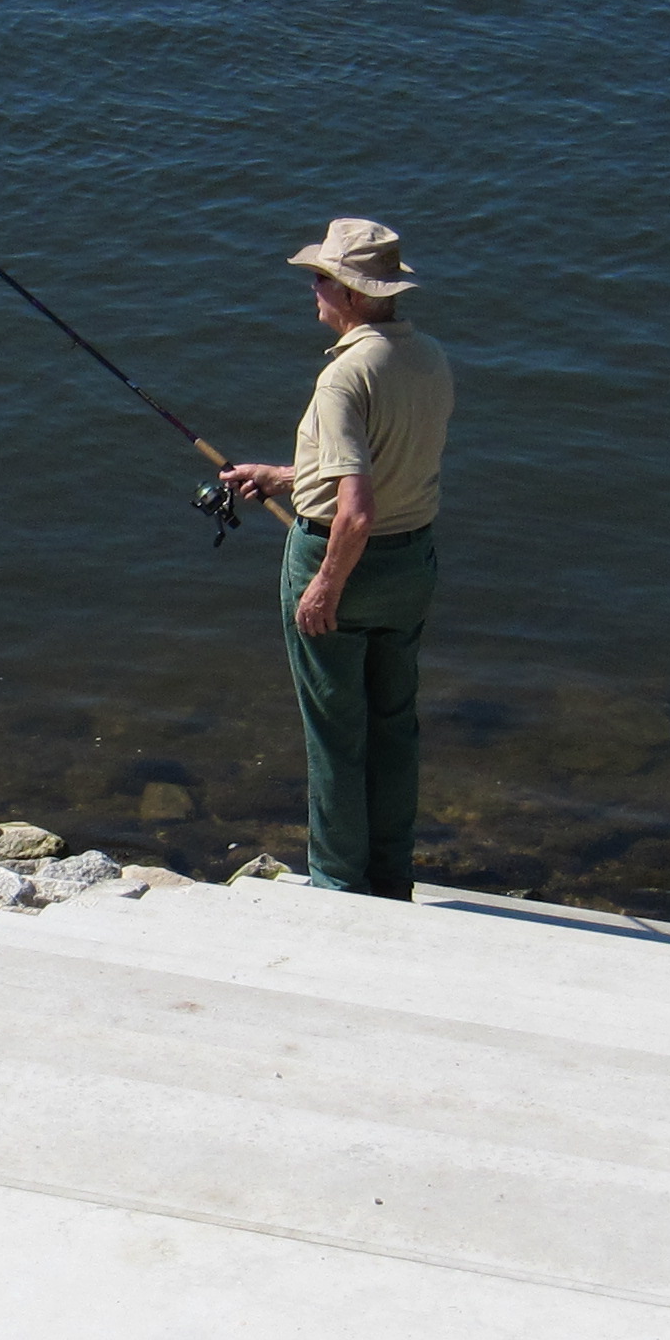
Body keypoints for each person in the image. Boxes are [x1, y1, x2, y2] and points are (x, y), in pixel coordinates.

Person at [225, 217, 455, 898]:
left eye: (322, 279)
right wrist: (283, 475)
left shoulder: (343, 377)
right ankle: (391, 880)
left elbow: (355, 509)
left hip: (344, 562)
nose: (315, 291)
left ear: (353, 294)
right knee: (394, 727)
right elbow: (389, 465)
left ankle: (336, 887)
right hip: (411, 568)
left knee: (335, 734)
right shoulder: (429, 357)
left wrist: (325, 585)